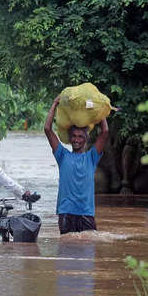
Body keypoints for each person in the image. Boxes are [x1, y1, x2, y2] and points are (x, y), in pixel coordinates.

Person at [44, 94, 109, 234]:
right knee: (66, 249)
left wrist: (101, 109)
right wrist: (55, 104)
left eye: (80, 136)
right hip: (66, 211)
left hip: (86, 212)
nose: (76, 139)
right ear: (69, 138)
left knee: (88, 249)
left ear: (85, 139)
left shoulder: (91, 157)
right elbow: (47, 129)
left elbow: (105, 132)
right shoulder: (62, 155)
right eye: (74, 136)